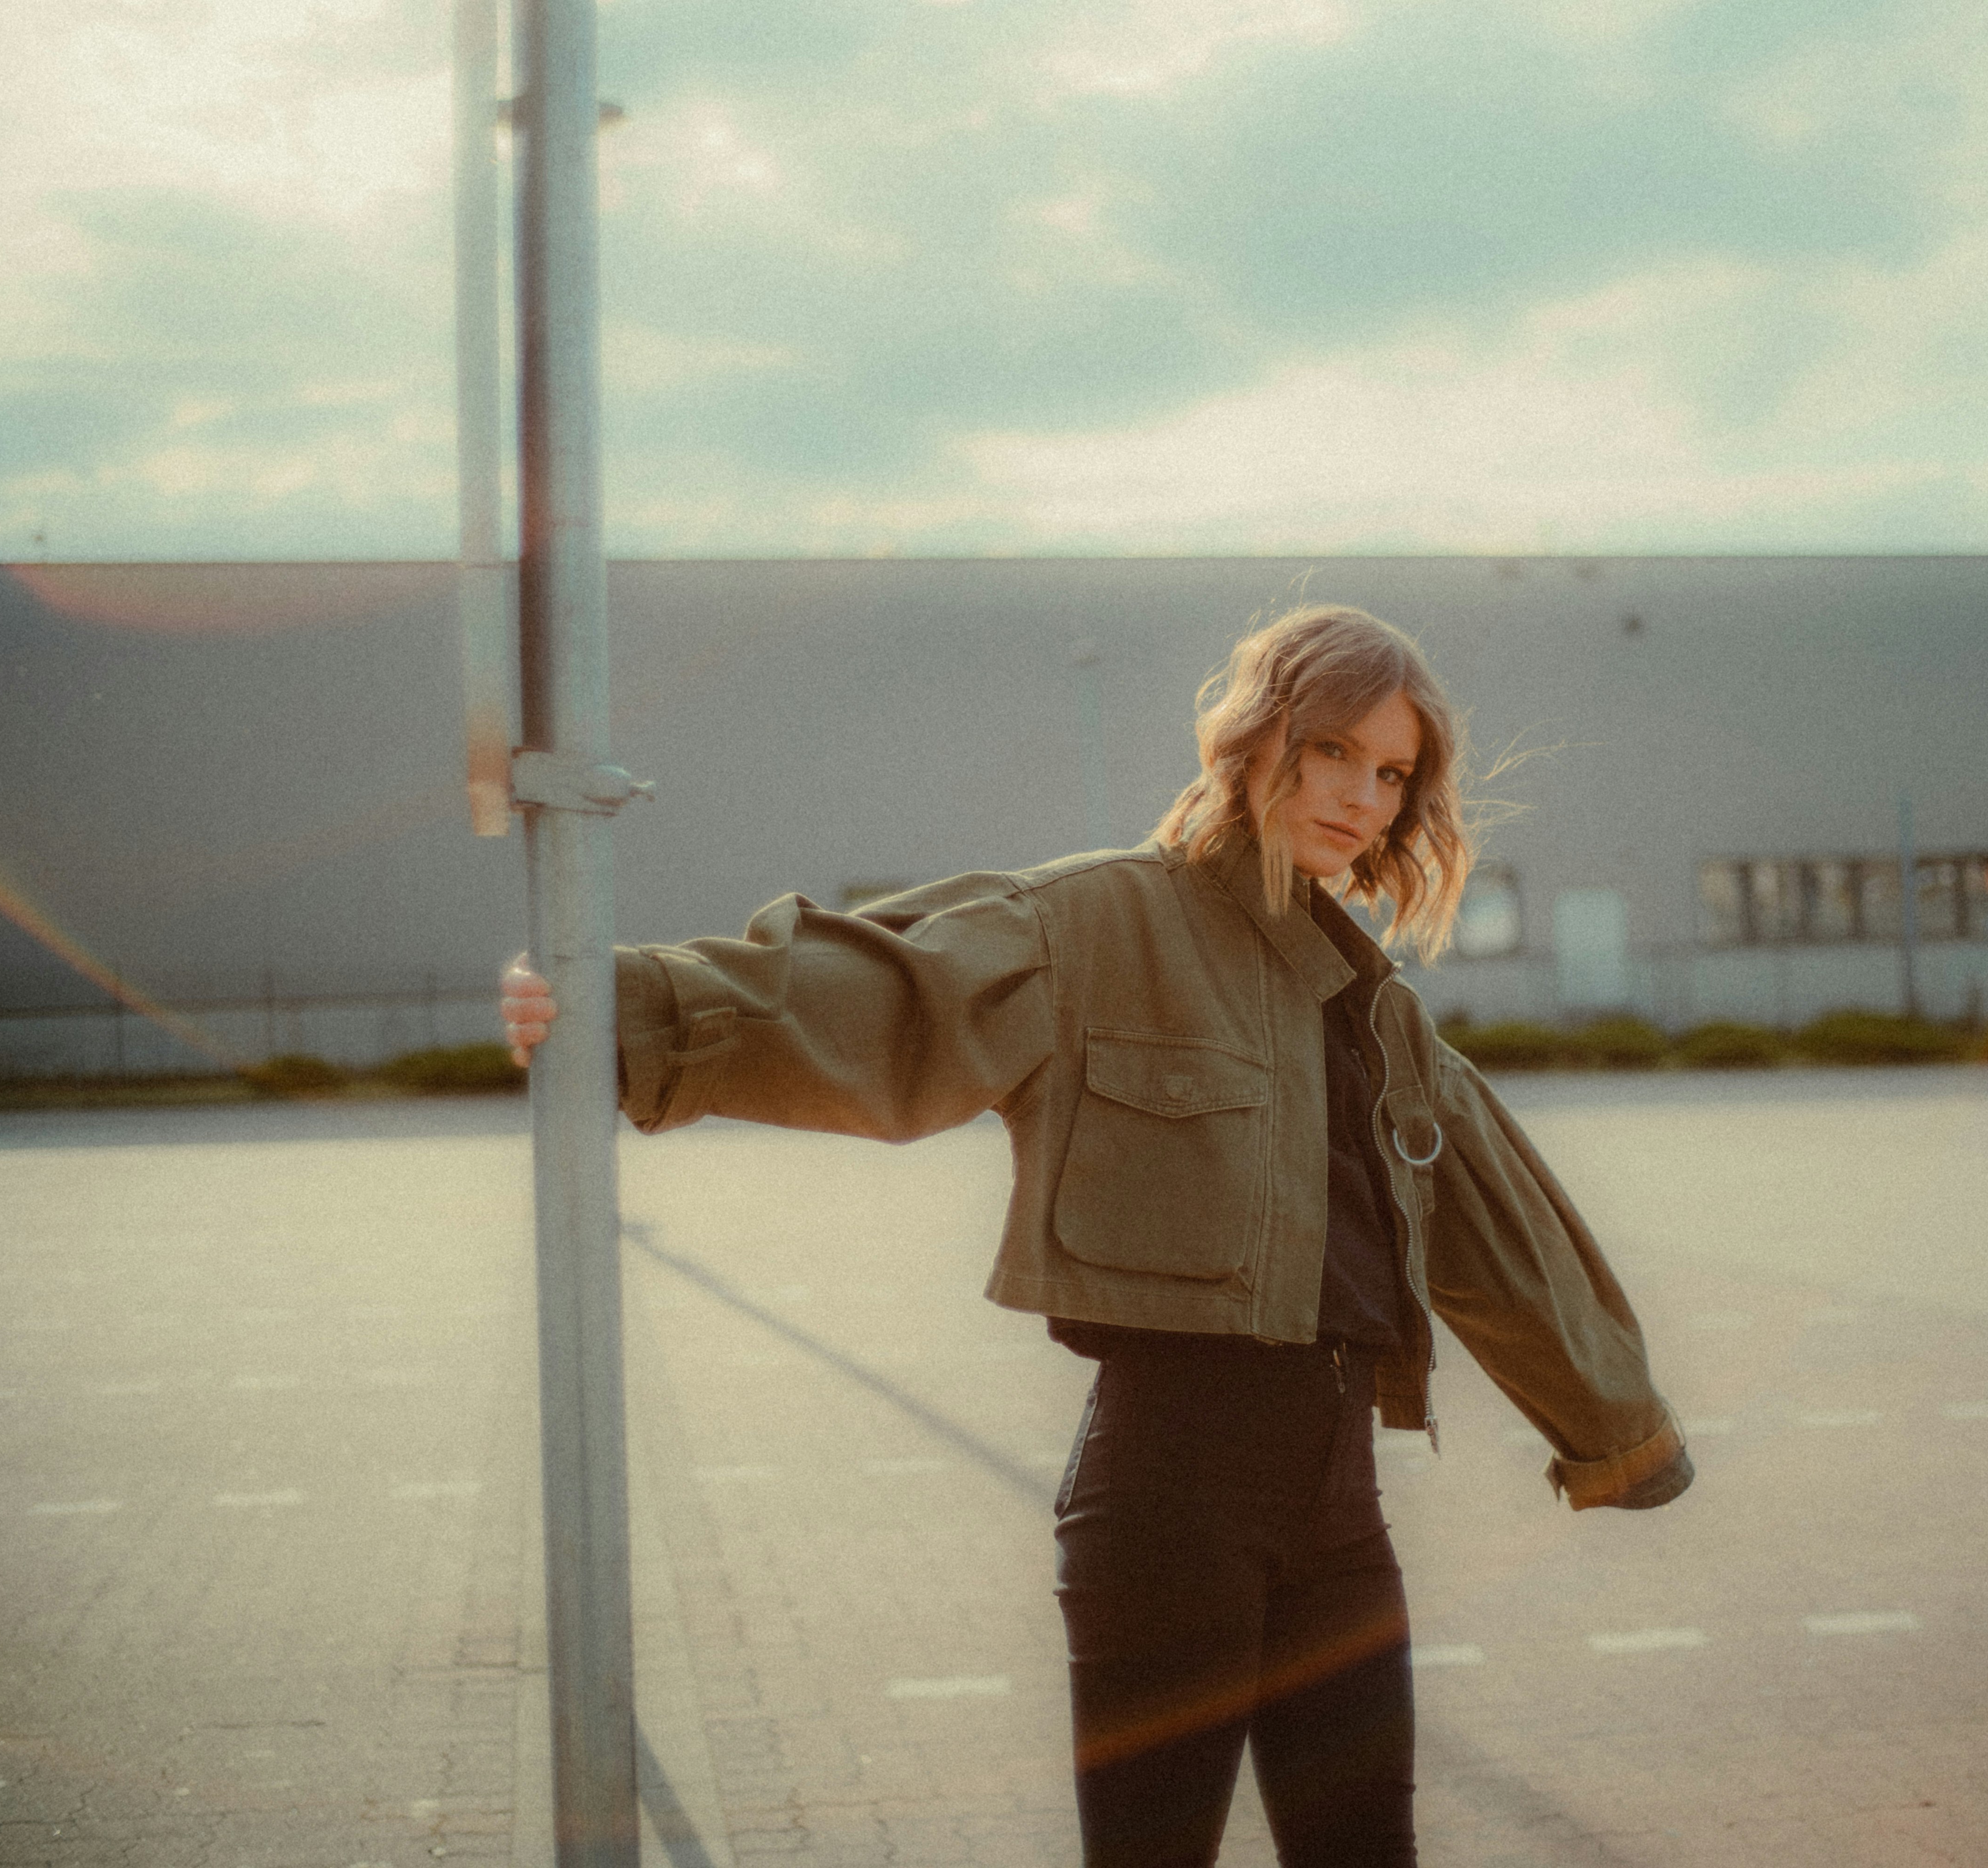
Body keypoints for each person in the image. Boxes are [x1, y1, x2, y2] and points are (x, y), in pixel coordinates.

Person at [501, 603, 1690, 1868]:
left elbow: (1497, 1225)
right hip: (1169, 1512)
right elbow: (883, 994)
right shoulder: (1099, 923)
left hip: (1341, 1520)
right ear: (1255, 739)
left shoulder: (1371, 1003)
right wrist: (609, 1005)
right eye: (1334, 751)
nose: (1362, 797)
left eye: (1392, 774)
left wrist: (1618, 1430)